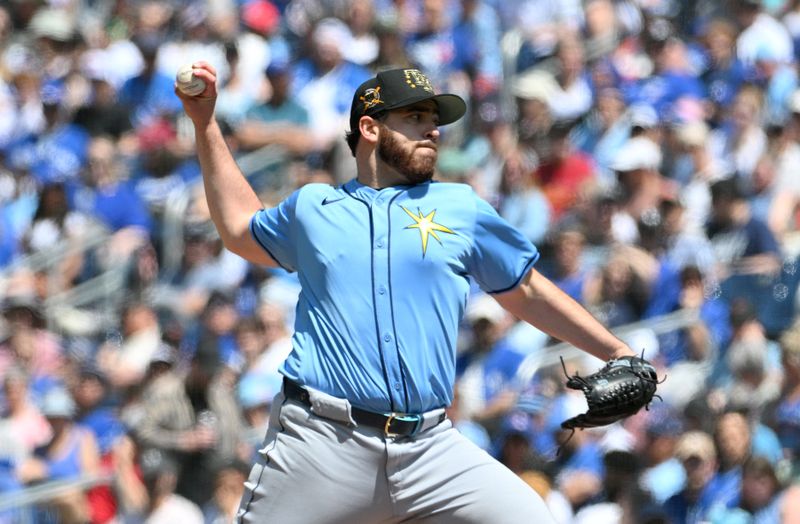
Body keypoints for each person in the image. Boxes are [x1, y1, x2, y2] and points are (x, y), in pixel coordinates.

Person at [176, 64, 640, 523]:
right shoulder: (314, 207)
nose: (432, 131)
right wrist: (206, 124)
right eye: (415, 118)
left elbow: (527, 290)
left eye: (434, 121)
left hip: (429, 448)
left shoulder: (459, 206)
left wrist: (616, 351)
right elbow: (239, 229)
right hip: (321, 442)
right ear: (370, 127)